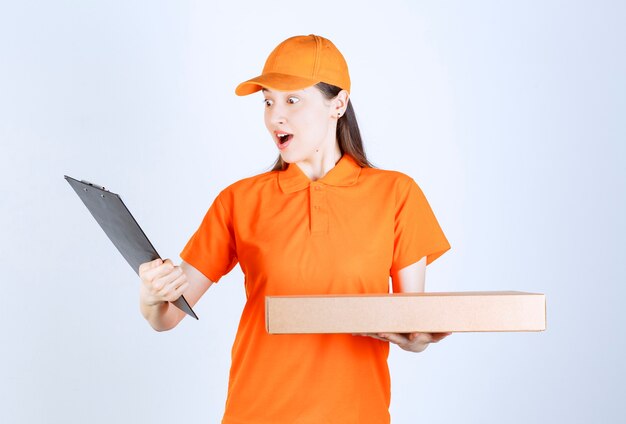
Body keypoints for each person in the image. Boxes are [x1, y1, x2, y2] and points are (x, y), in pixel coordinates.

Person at [139, 34, 451, 424]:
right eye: (268, 101)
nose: (274, 117)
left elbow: (412, 324)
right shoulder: (239, 200)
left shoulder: (396, 194)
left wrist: (418, 337)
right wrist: (152, 296)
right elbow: (167, 316)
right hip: (255, 413)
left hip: (357, 414)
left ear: (338, 104)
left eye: (292, 100)